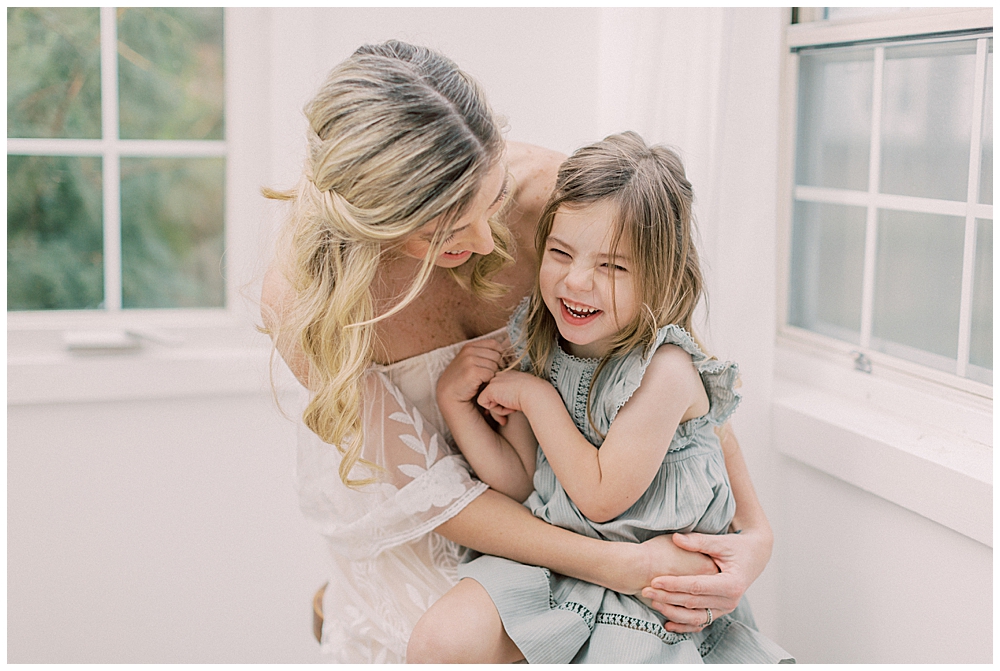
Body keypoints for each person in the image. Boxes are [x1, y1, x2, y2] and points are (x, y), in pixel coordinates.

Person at [261, 40, 775, 664]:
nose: (485, 239)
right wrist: (623, 565)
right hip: (444, 524)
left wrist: (754, 532)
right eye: (444, 232)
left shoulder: (568, 211)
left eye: (492, 198)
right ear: (378, 225)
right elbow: (443, 497)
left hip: (580, 508)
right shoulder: (309, 303)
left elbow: (677, 383)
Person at [406, 132, 792, 663]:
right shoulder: (542, 343)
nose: (576, 281)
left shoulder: (665, 373)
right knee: (440, 639)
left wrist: (535, 398)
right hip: (559, 559)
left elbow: (602, 496)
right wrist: (457, 404)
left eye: (612, 267)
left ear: (659, 277)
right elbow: (521, 480)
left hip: (648, 582)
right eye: (561, 253)